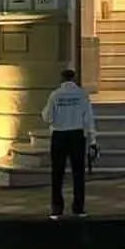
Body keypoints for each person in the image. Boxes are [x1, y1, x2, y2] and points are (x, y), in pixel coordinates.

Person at [40, 68, 96, 220]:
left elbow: (47, 117)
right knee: (78, 173)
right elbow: (88, 118)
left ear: (62, 78)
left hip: (59, 135)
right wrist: (92, 140)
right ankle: (79, 208)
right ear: (74, 78)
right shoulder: (82, 94)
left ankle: (57, 208)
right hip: (77, 135)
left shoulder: (55, 95)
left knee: (57, 173)